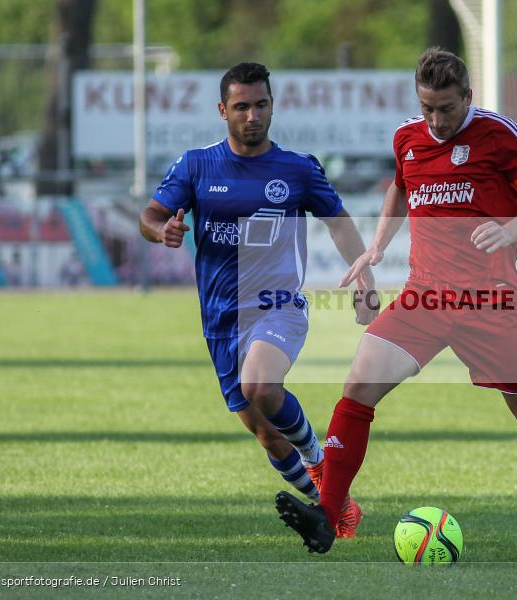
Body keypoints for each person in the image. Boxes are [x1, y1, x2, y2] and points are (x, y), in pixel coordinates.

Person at [275, 48, 517, 553]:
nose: (436, 120)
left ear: (468, 96)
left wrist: (508, 232)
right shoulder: (407, 137)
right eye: (427, 108)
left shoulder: (500, 136)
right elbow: (400, 188)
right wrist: (377, 245)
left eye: (446, 108)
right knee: (358, 385)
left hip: (491, 302)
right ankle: (327, 516)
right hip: (426, 296)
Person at [139, 62, 377, 538]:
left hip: (277, 305)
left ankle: (316, 460)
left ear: (272, 106)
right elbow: (150, 213)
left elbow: (339, 221)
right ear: (223, 110)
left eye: (261, 105)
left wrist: (364, 281)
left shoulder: (297, 168)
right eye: (242, 106)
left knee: (262, 388)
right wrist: (161, 229)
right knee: (266, 432)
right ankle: (334, 508)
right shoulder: (197, 165)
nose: (252, 115)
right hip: (220, 319)